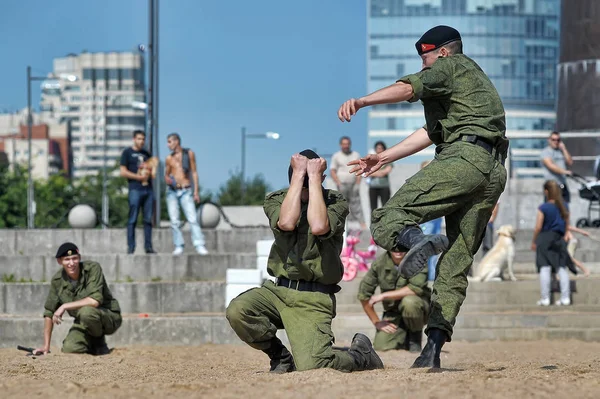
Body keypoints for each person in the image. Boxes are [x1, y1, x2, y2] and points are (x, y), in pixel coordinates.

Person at [337, 25, 508, 368]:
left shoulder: (449, 65)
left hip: (464, 161)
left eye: (425, 57)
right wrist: (385, 157)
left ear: (443, 52)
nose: (423, 65)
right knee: (456, 265)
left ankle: (417, 241)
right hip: (492, 171)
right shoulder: (471, 82)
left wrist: (363, 101)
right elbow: (430, 133)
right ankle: (432, 351)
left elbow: (408, 88)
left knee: (387, 218)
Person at [226, 149, 383, 373]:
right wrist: (300, 176)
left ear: (321, 180)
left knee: (314, 365)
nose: (306, 190)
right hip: (278, 291)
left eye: (311, 183)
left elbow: (319, 226)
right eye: (301, 182)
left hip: (313, 298)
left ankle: (360, 356)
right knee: (239, 310)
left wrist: (315, 180)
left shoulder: (335, 202)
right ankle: (280, 357)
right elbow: (287, 223)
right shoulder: (277, 199)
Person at [34, 242, 122, 355]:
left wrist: (64, 306)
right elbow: (49, 312)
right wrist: (46, 346)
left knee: (87, 312)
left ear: (79, 258)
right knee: (70, 348)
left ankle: (99, 343)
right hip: (84, 321)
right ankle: (91, 344)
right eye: (67, 259)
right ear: (59, 261)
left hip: (108, 316)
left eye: (74, 258)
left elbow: (94, 301)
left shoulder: (92, 269)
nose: (71, 263)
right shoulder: (57, 281)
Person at [357, 250, 430, 352]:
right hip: (394, 314)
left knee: (410, 302)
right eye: (394, 247)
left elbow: (415, 288)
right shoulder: (379, 263)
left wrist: (383, 296)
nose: (398, 250)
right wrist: (376, 322)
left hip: (420, 309)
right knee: (381, 346)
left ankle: (415, 339)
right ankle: (402, 338)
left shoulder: (417, 259)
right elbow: (363, 294)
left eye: (401, 247)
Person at [531, 180, 574, 306]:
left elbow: (538, 227)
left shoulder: (543, 207)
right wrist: (565, 235)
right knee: (561, 267)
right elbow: (567, 224)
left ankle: (545, 298)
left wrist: (534, 241)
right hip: (559, 238)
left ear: (546, 191)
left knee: (545, 267)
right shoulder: (564, 206)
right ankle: (565, 298)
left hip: (544, 238)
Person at [164, 133, 208, 255]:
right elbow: (166, 175)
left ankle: (199, 244)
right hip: (172, 191)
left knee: (192, 218)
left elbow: (194, 172)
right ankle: (179, 245)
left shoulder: (188, 154)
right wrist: (168, 179)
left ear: (176, 141)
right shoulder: (169, 158)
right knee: (174, 220)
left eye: (170, 142)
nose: (168, 145)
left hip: (186, 190)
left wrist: (196, 191)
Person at [120, 130, 156, 254]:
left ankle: (148, 246)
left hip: (148, 189)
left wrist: (149, 170)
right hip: (135, 189)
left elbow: (153, 171)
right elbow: (123, 172)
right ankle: (131, 247)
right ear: (134, 139)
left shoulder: (147, 154)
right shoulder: (127, 152)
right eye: (139, 139)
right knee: (133, 219)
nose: (141, 141)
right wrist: (138, 177)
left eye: (143, 139)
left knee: (147, 219)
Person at [330, 136, 367, 230]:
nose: (346, 146)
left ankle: (362, 224)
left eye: (347, 144)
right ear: (340, 145)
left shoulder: (356, 155)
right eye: (344, 144)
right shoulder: (336, 156)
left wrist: (358, 183)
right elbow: (333, 171)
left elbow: (360, 169)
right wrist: (338, 183)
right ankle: (340, 224)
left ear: (350, 144)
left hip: (353, 184)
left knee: (356, 204)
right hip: (342, 184)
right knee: (341, 205)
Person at [540, 131, 573, 204]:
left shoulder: (561, 151)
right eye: (553, 140)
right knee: (551, 209)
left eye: (558, 140)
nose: (556, 142)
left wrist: (564, 149)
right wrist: (565, 172)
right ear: (549, 140)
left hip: (562, 184)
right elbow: (551, 166)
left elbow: (570, 162)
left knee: (565, 209)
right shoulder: (545, 152)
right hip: (551, 185)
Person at [367, 141, 394, 213]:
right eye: (377, 148)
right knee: (373, 208)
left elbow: (386, 171)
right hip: (373, 187)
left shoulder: (388, 159)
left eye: (381, 148)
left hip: (384, 186)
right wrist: (380, 173)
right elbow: (367, 172)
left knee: (385, 207)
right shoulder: (371, 160)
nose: (379, 150)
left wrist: (374, 172)